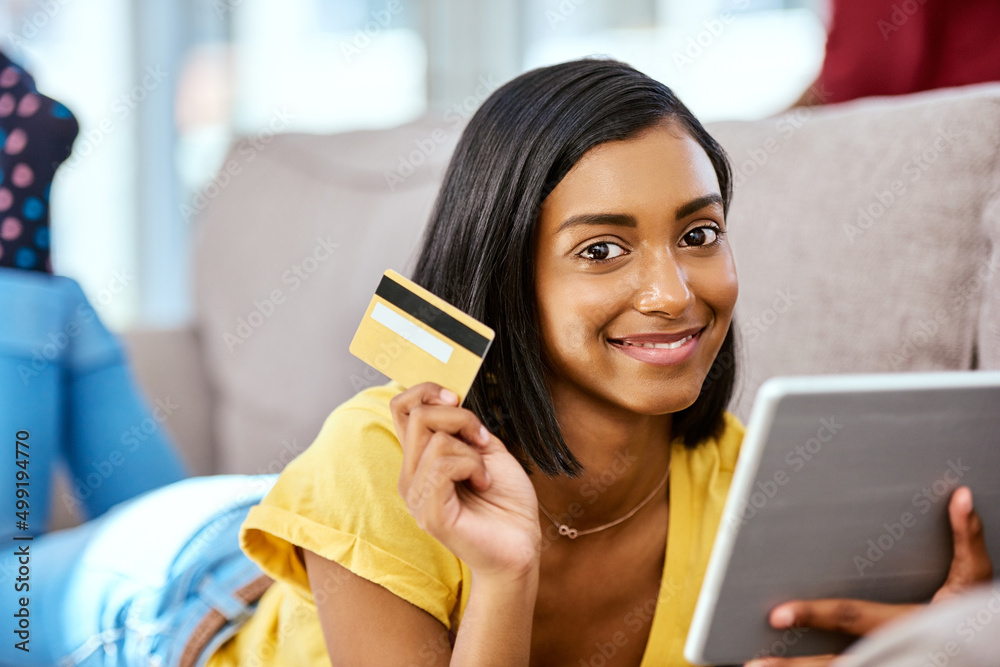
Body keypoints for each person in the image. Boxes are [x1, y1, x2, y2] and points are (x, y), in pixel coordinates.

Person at [3, 58, 990, 667]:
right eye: (602, 249)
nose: (673, 292)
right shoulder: (370, 456)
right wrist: (502, 579)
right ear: (506, 277)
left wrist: (918, 644)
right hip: (171, 603)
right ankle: (27, 284)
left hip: (300, 545)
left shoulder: (743, 482)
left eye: (697, 233)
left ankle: (40, 289)